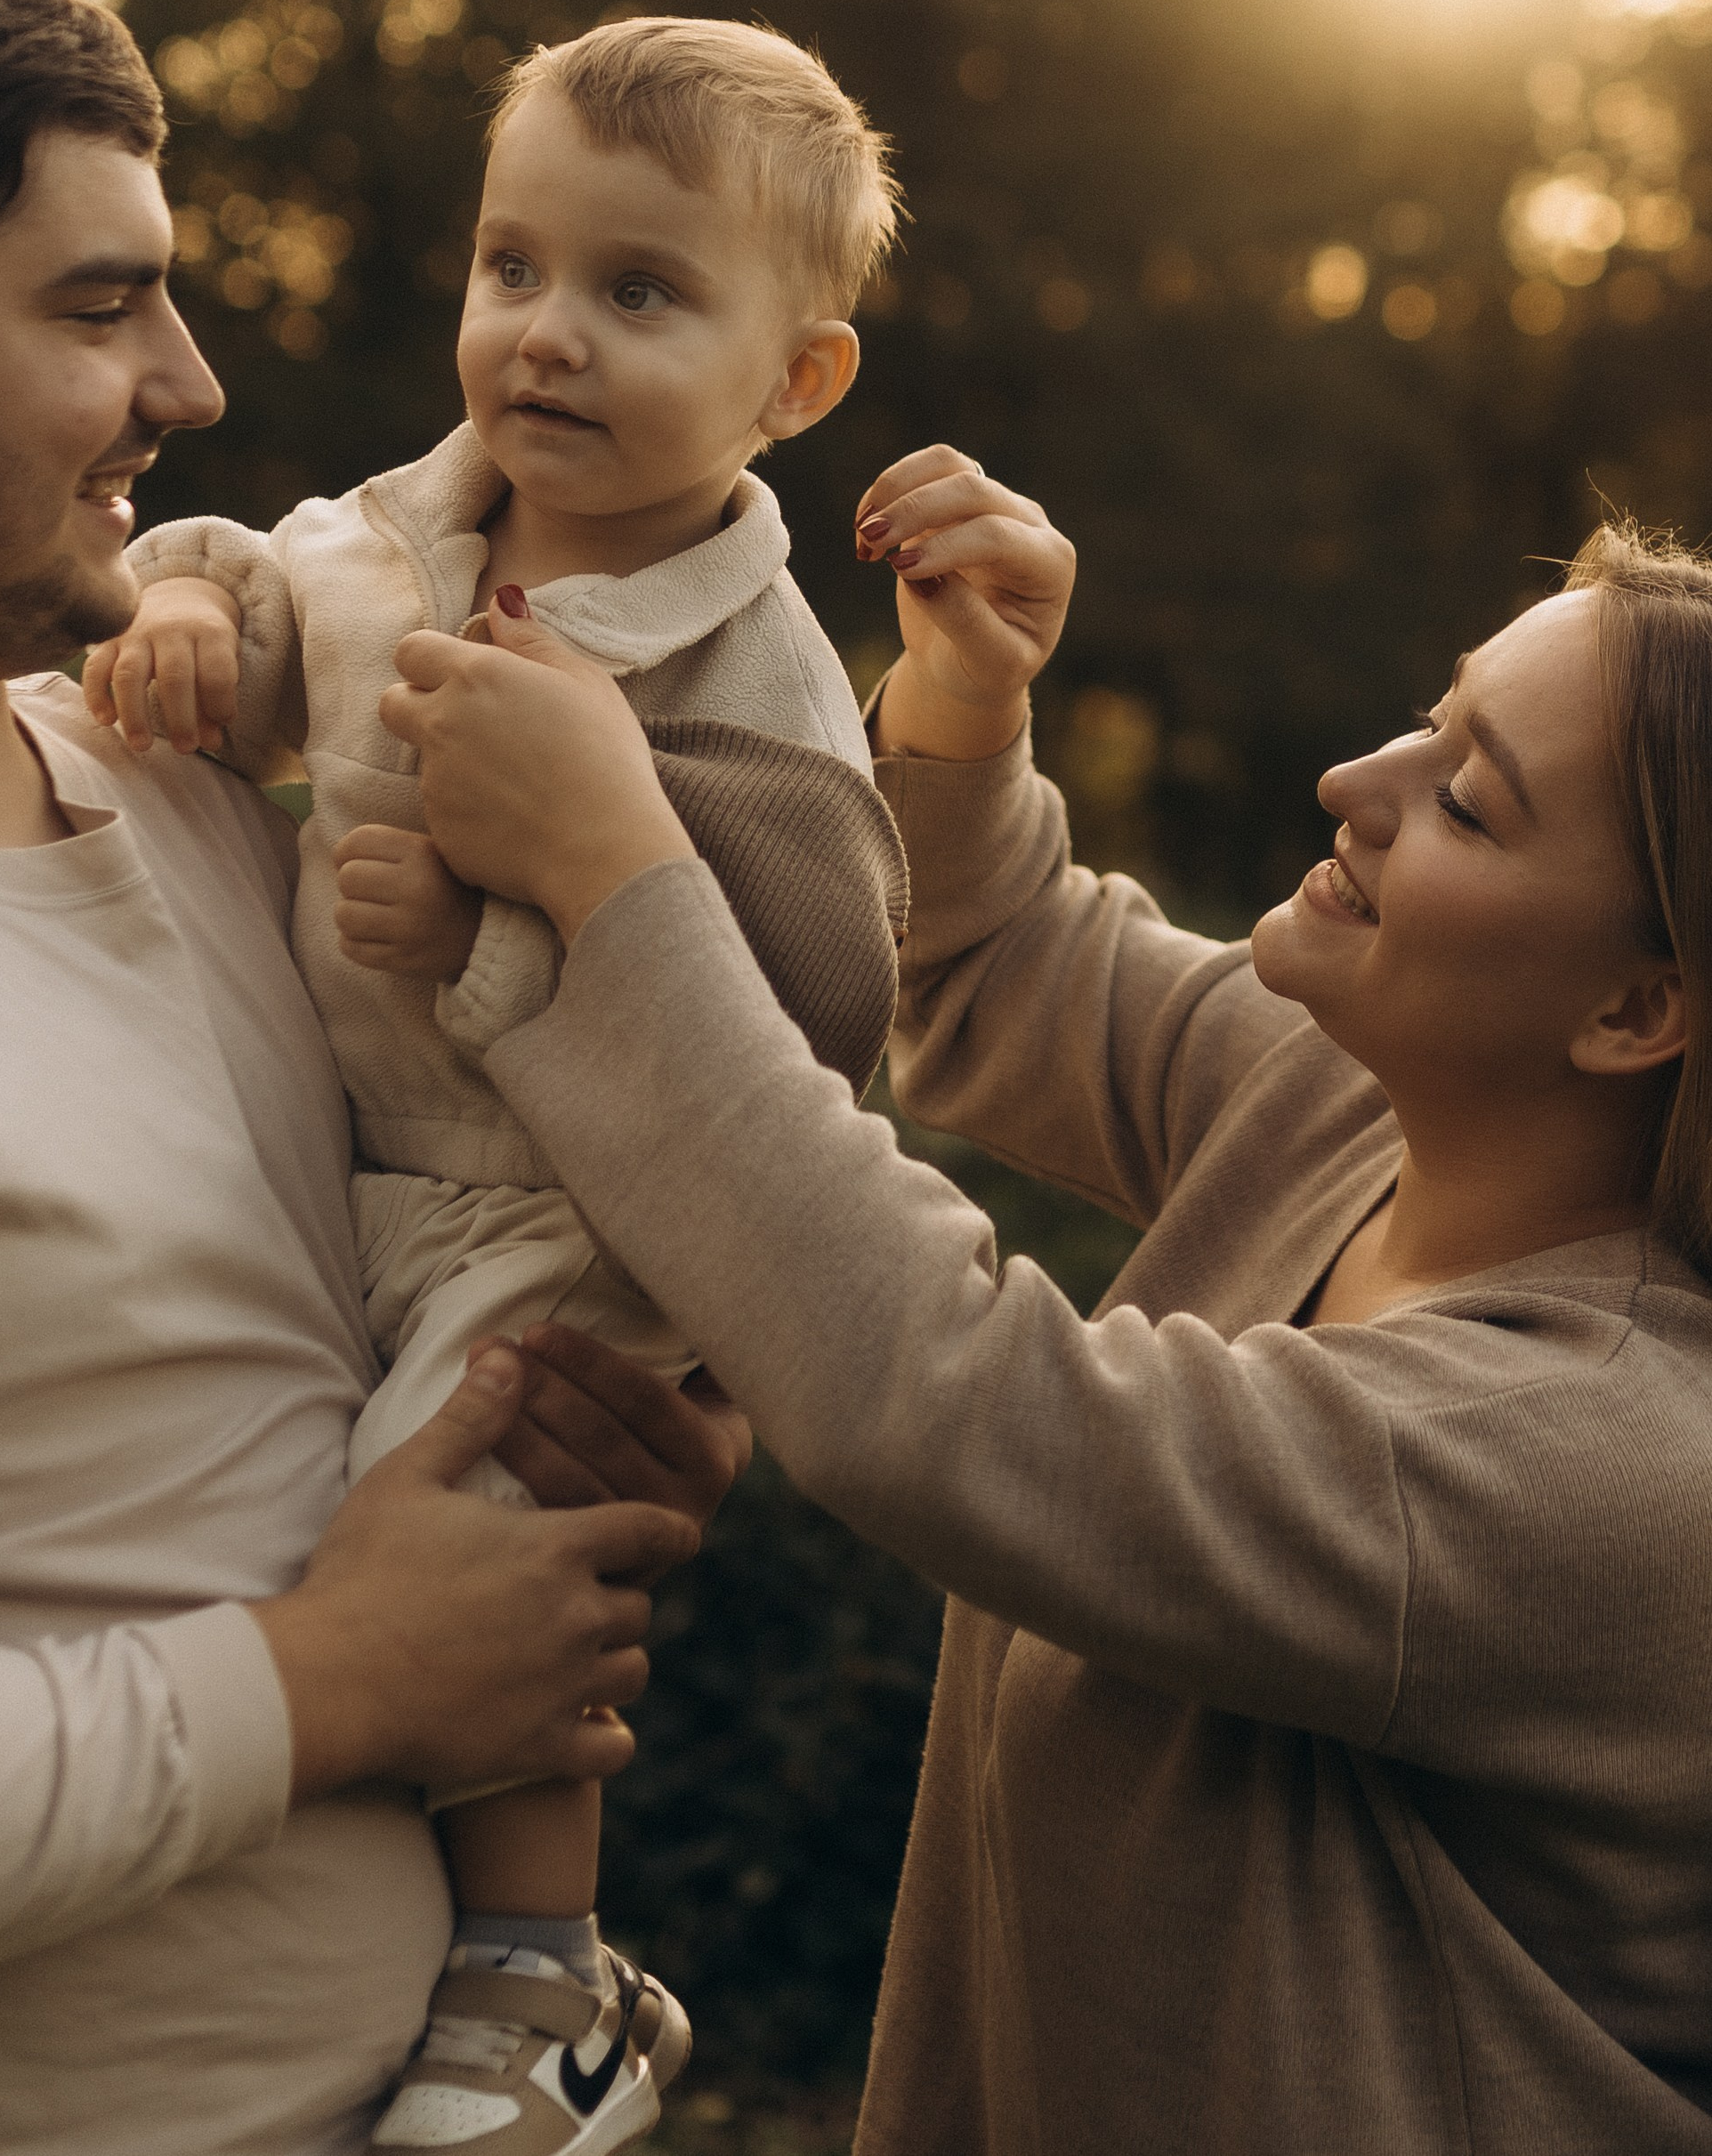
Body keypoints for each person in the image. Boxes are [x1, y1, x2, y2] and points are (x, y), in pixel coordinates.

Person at [384, 446, 1712, 2154]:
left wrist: (609, 877)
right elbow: (1007, 969)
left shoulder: (1604, 1463)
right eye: (1429, 721)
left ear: (1636, 1007)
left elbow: (957, 1398)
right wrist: (963, 702)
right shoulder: (1351, 1113)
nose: (1354, 780)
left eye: (1466, 802)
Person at [0, 0, 723, 2156]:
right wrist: (341, 1682)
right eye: (91, 306)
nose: (193, 384)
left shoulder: (182, 791)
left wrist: (582, 1443)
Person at [80, 16, 908, 2154]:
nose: (543, 336)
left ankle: (546, 1979)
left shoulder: (758, 669)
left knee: (470, 1524)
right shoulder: (390, 539)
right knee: (288, 1506)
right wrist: (180, 613)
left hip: (573, 1209)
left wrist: (507, 936)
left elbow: (821, 981)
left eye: (638, 293)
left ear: (790, 382)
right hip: (349, 1168)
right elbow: (265, 606)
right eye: (512, 267)